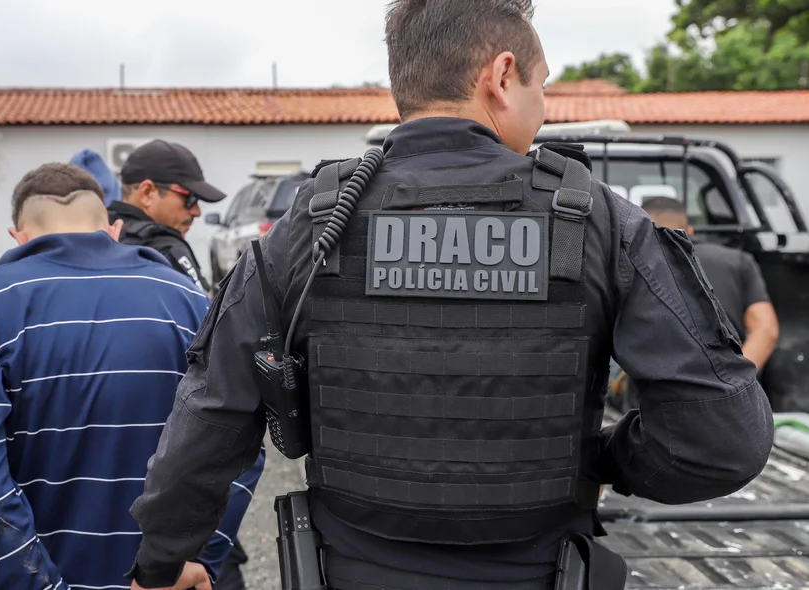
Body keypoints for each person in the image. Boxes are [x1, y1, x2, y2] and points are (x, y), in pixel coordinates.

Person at [125, 1, 775, 589]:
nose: (543, 107)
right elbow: (723, 441)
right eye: (541, 87)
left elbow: (211, 416)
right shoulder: (602, 222)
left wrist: (162, 563)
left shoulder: (308, 225)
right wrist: (602, 457)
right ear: (500, 75)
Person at [0, 162, 261, 590]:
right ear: (112, 230)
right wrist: (185, 564)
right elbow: (240, 444)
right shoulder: (185, 297)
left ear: (17, 236)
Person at [641, 196, 779, 370]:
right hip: (725, 382)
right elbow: (766, 329)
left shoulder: (630, 265)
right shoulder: (738, 261)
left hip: (656, 384)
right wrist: (736, 379)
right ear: (689, 231)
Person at [106, 139, 226, 293]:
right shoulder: (166, 248)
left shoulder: (93, 234)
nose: (197, 212)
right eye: (189, 198)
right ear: (147, 193)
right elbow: (205, 314)